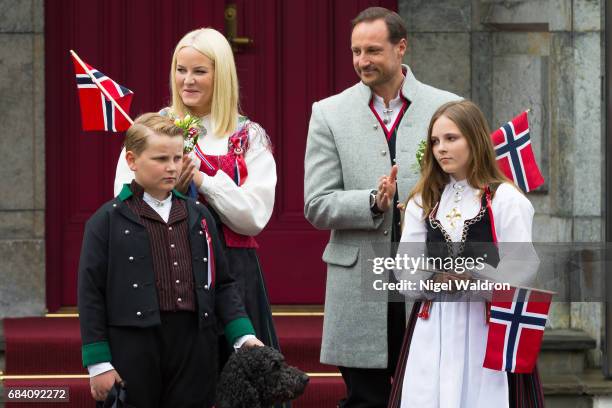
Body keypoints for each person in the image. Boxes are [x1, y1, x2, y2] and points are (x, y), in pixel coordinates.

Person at [303, 6, 460, 408]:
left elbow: (468, 189)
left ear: (401, 47)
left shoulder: (447, 108)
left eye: (372, 50)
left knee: (428, 394)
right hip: (359, 282)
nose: (362, 61)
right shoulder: (329, 113)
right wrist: (372, 202)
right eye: (355, 51)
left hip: (428, 276)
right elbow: (316, 204)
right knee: (365, 399)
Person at [113, 28, 281, 367]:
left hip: (232, 275)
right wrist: (167, 184)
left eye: (199, 71)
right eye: (180, 69)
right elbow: (122, 201)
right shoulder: (151, 131)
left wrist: (205, 181)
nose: (186, 81)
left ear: (222, 75)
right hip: (166, 270)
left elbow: (254, 218)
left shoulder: (248, 136)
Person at [79, 113, 263, 408]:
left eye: (178, 158)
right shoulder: (106, 221)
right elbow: (91, 294)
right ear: (132, 160)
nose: (171, 167)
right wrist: (98, 363)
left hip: (194, 345)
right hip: (133, 346)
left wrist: (243, 335)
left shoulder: (199, 215)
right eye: (160, 158)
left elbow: (224, 284)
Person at [389, 100, 543, 408]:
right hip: (433, 325)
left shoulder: (506, 199)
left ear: (474, 139)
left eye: (451, 138)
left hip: (486, 327)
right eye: (435, 141)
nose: (441, 148)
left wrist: (474, 280)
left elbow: (523, 265)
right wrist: (433, 278)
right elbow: (405, 266)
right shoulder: (425, 199)